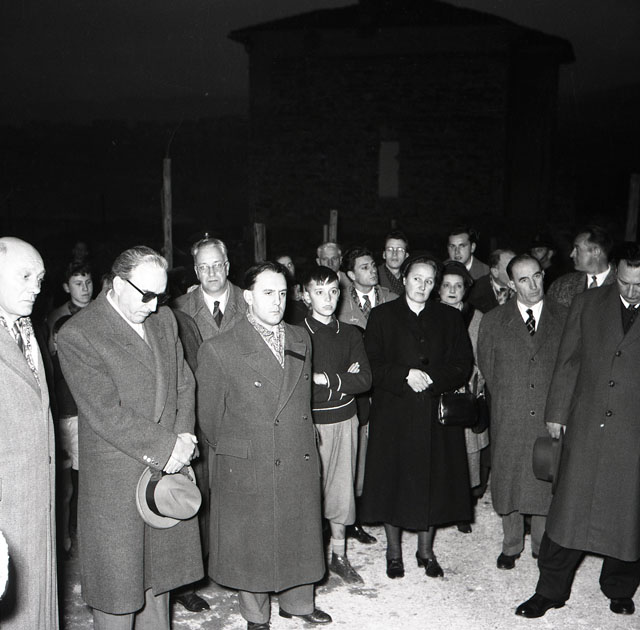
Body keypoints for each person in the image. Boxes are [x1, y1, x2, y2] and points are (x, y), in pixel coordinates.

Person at [57, 245, 203, 630]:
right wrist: (168, 447)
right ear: (118, 284)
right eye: (146, 295)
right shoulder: (79, 333)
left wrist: (183, 437)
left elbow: (184, 383)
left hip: (165, 472)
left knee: (159, 583)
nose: (153, 306)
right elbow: (106, 413)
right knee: (117, 591)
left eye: (161, 296)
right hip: (117, 480)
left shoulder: (164, 320)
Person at [197, 262, 331, 630]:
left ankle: (298, 603)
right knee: (252, 541)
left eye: (283, 293)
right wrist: (242, 447)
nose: (277, 301)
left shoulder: (300, 338)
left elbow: (301, 399)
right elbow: (210, 419)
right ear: (248, 296)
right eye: (268, 293)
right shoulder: (220, 348)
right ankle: (256, 616)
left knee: (299, 528)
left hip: (296, 449)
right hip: (250, 457)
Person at [516, 242, 640, 619]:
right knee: (568, 512)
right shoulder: (587, 303)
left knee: (628, 514)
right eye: (625, 282)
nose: (631, 291)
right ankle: (549, 591)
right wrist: (556, 412)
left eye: (639, 285)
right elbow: (568, 361)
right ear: (614, 271)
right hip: (586, 423)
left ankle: (618, 587)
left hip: (633, 431)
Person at [360, 255, 473, 580]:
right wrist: (404, 375)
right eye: (416, 279)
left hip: (435, 415)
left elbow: (462, 364)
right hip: (394, 413)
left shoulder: (449, 317)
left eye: (428, 280)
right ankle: (393, 552)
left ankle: (426, 551)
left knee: (433, 481)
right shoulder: (382, 316)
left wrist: (432, 378)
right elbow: (372, 364)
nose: (422, 286)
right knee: (392, 481)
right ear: (404, 279)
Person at [477, 254, 566, 570]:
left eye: (537, 276)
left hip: (549, 414)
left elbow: (571, 368)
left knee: (546, 478)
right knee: (510, 478)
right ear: (512, 284)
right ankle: (511, 544)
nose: (533, 285)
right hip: (510, 413)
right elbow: (488, 367)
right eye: (524, 280)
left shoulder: (564, 317)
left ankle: (542, 545)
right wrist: (509, 398)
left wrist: (559, 412)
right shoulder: (493, 321)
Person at [0, 237, 58, 630]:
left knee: (38, 607)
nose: (35, 288)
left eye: (39, 279)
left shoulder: (27, 329)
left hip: (38, 500)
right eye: (24, 276)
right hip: (7, 506)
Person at [301, 266, 372, 584]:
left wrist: (325, 378)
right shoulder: (297, 334)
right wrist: (344, 379)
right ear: (306, 296)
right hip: (309, 423)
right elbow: (300, 386)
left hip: (345, 420)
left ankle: (339, 556)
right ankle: (309, 561)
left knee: (342, 492)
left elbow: (365, 380)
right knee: (308, 492)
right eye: (319, 292)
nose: (327, 299)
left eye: (332, 291)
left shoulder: (351, 333)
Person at [337, 245, 397, 545]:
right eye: (364, 267)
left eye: (373, 265)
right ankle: (356, 518)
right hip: (358, 391)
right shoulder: (339, 304)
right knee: (357, 454)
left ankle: (389, 509)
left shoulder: (393, 299)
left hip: (389, 386)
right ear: (350, 274)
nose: (372, 270)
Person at [438, 261, 489, 533]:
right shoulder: (430, 313)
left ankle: (463, 509)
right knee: (440, 451)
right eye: (446, 285)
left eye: (458, 286)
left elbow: (484, 357)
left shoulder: (476, 317)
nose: (452, 290)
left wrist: (475, 381)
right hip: (437, 393)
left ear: (466, 289)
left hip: (467, 392)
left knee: (468, 453)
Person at [174, 236, 246, 340]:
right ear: (196, 272)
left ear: (227, 267)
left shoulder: (250, 304)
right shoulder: (179, 310)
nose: (211, 273)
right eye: (203, 267)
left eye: (217, 265)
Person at [547, 225, 616, 307]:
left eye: (577, 249)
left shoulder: (622, 286)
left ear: (596, 252)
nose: (571, 255)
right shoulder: (561, 285)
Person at [46, 261, 93, 352]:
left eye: (88, 282)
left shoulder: (104, 309)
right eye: (78, 284)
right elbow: (52, 352)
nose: (85, 288)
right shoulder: (55, 317)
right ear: (67, 287)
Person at [468, 249, 516, 313]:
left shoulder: (524, 285)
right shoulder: (475, 291)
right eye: (510, 268)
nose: (517, 272)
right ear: (495, 272)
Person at [378, 230, 409, 296]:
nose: (394, 254)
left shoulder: (410, 278)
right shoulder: (375, 276)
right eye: (390, 249)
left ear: (406, 256)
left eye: (400, 250)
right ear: (384, 254)